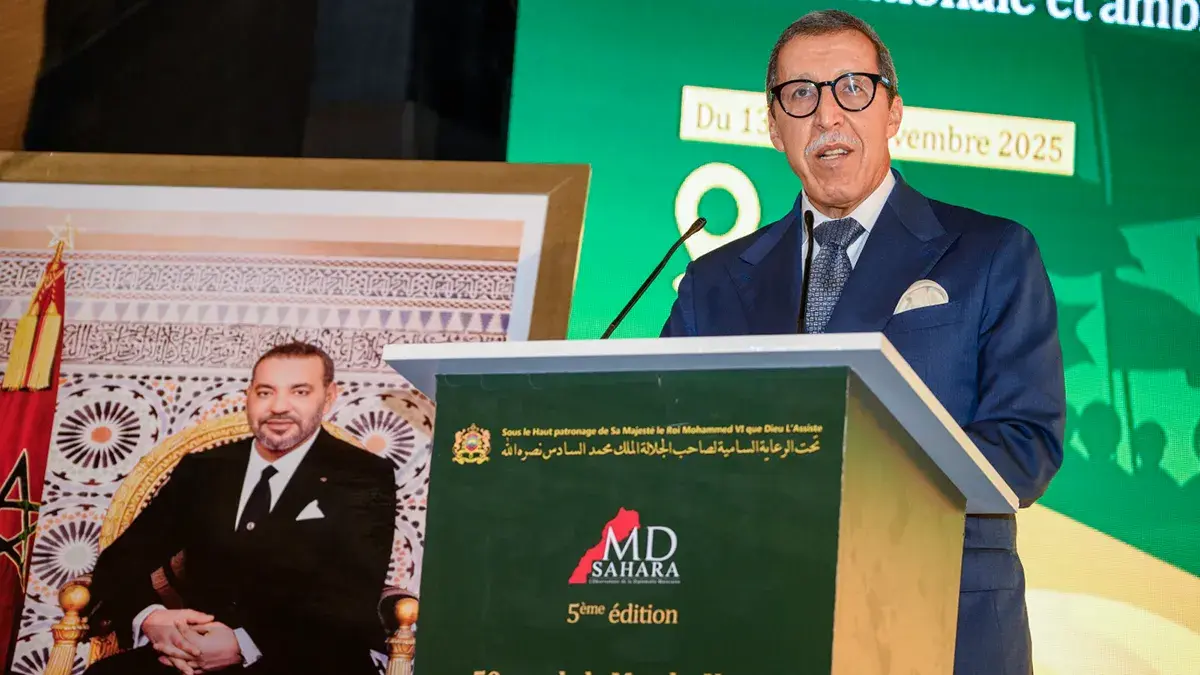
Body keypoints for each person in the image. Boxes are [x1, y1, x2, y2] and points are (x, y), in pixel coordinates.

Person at [660, 10, 1064, 675]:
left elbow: (1026, 443)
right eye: (801, 95)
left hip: (939, 622)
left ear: (893, 111)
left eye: (853, 88)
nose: (827, 115)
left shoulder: (991, 253)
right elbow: (664, 439)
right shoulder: (714, 282)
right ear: (773, 126)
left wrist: (840, 473)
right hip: (758, 621)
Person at [84, 341, 397, 675]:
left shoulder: (364, 475)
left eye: (300, 392)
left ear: (329, 396)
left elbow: (350, 598)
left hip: (307, 654)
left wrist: (243, 643)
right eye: (265, 392)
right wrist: (152, 619)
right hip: (191, 655)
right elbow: (120, 561)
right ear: (248, 395)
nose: (279, 406)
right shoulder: (204, 469)